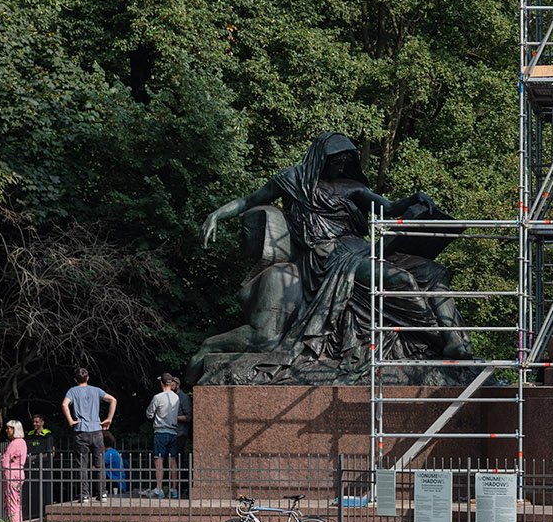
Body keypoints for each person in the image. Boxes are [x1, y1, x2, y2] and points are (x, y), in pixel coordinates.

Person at [200, 134, 469, 380]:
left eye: (345, 161)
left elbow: (389, 207)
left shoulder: (352, 187)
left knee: (433, 271)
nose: (341, 166)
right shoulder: (292, 180)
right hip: (329, 259)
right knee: (400, 280)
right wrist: (216, 215)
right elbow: (248, 201)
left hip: (363, 249)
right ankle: (437, 337)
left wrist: (414, 200)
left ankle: (454, 340)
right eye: (336, 161)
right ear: (321, 158)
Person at [62, 367, 117, 503]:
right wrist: (109, 418)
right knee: (100, 464)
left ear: (75, 379)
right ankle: (102, 493)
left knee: (82, 465)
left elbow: (64, 404)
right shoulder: (96, 390)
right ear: (88, 378)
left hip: (80, 431)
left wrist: (70, 420)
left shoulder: (72, 391)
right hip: (96, 431)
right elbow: (113, 400)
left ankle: (84, 494)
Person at [144, 373, 186, 497]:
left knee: (159, 460)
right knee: (173, 460)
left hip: (161, 431)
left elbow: (149, 413)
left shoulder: (158, 397)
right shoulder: (176, 398)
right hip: (173, 432)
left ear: (162, 383)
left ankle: (159, 489)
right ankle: (174, 490)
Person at [0, 421, 28, 522]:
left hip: (12, 473)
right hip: (20, 472)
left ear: (14, 430)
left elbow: (5, 461)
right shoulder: (22, 442)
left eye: (9, 428)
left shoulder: (14, 443)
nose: (7, 430)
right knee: (16, 501)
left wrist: (5, 460)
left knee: (11, 502)